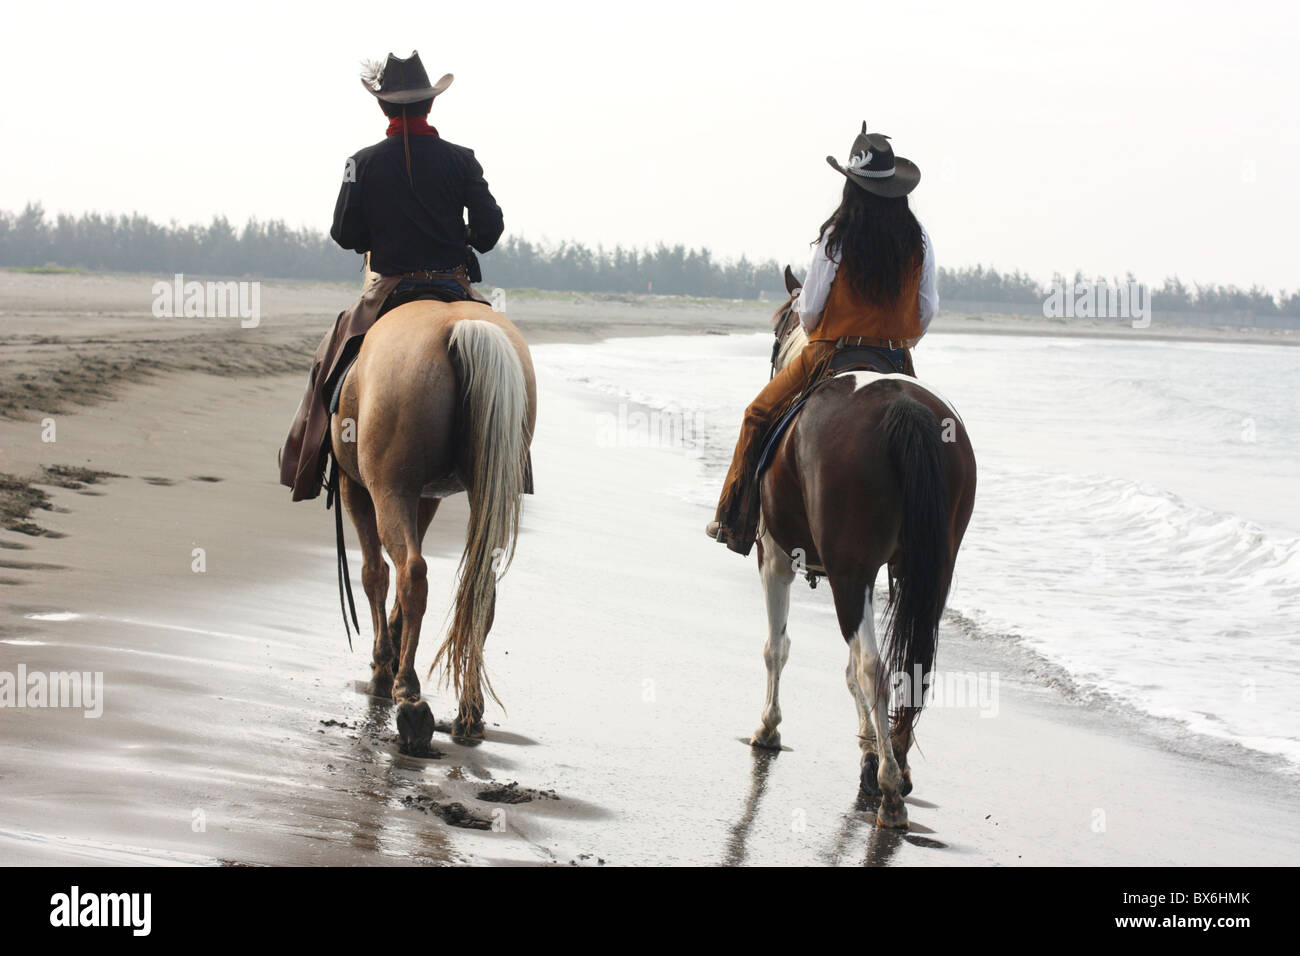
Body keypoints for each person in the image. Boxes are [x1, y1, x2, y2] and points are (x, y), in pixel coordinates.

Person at [278, 50, 504, 501]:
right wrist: (460, 233)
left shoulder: (359, 162)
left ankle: (309, 462)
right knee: (503, 358)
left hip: (388, 289)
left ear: (383, 108)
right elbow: (490, 230)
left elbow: (344, 234)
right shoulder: (462, 159)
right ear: (430, 105)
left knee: (331, 358)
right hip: (453, 286)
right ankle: (516, 465)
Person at [706, 123, 939, 555]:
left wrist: (826, 335)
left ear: (851, 186)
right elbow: (927, 312)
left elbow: (810, 310)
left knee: (757, 415)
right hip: (896, 358)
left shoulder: (837, 234)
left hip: (833, 350)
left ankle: (734, 522)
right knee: (938, 436)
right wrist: (896, 341)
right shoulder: (918, 238)